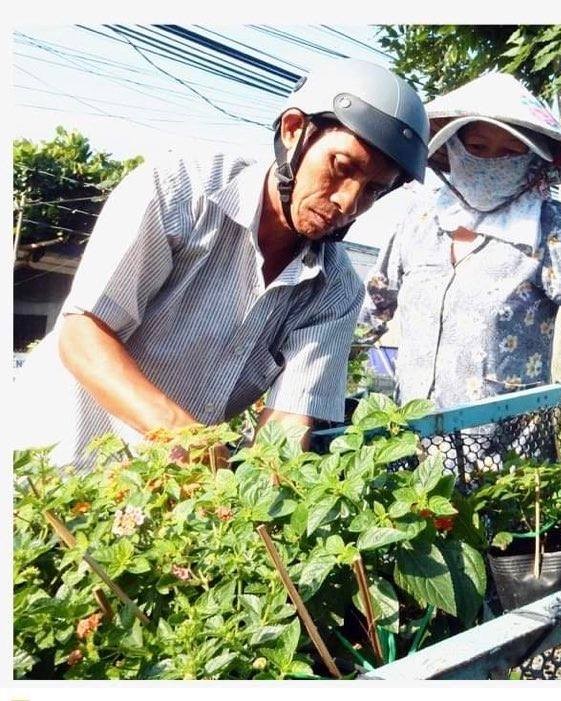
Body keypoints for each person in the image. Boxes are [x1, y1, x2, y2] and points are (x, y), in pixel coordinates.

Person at [12, 58, 430, 472]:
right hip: (47, 466)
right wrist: (183, 437)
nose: (349, 202)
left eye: (374, 190)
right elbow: (84, 334)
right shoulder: (179, 190)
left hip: (166, 505)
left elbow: (287, 425)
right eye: (341, 167)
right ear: (293, 130)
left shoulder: (336, 292)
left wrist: (250, 501)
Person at [359, 72, 561, 463]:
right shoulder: (421, 220)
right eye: (477, 145)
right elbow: (369, 312)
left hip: (505, 466)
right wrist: (323, 381)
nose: (491, 161)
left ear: (533, 161)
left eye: (511, 151)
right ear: (453, 147)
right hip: (411, 455)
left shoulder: (548, 227)